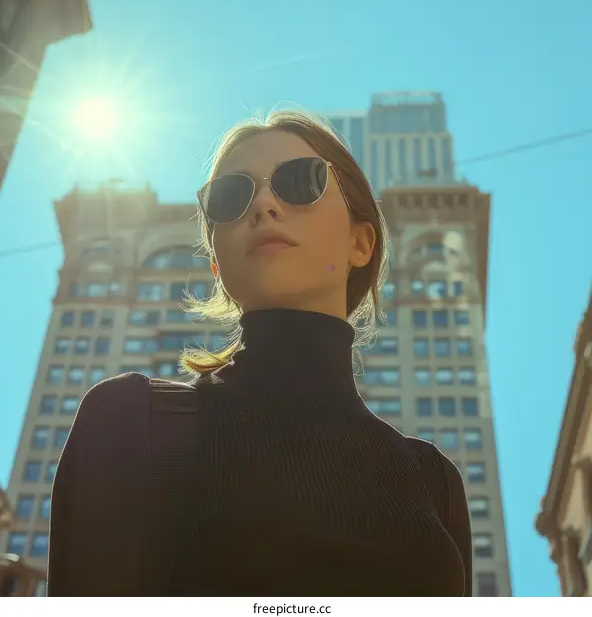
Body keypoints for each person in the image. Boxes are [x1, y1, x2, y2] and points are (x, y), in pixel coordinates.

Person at [48, 109, 472, 596]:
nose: (265, 204)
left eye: (299, 181)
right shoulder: (127, 421)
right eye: (231, 196)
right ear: (216, 264)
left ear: (361, 242)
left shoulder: (435, 481)